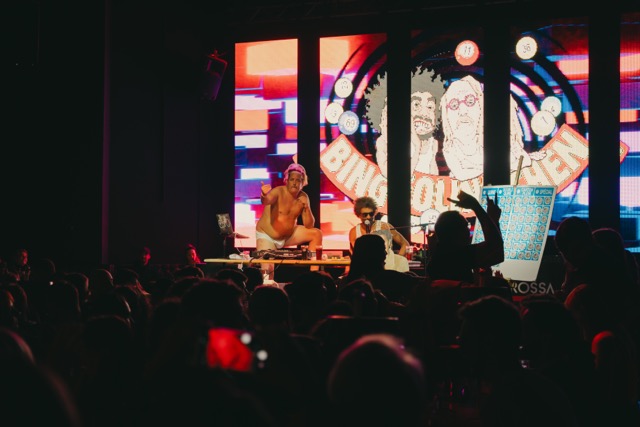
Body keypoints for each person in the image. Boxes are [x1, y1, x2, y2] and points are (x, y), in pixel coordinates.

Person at [440, 75, 545, 181]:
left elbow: (523, 161)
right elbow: (462, 175)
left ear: (481, 106)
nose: (463, 111)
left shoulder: (496, 138)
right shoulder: (450, 149)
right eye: (454, 105)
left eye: (470, 102)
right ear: (446, 114)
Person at [364, 68, 446, 178]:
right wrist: (416, 148)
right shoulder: (384, 142)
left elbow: (434, 174)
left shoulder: (432, 143)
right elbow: (392, 175)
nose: (424, 113)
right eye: (416, 105)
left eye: (430, 107)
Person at [426, 190, 503, 283]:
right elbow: (496, 250)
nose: (468, 231)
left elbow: (496, 253)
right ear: (456, 232)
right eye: (466, 226)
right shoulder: (457, 255)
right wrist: (476, 207)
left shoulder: (439, 256)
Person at [256, 163, 322, 252]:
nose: (294, 183)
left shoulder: (303, 197)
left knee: (316, 234)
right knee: (268, 261)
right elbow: (266, 201)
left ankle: (312, 260)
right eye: (292, 180)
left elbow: (309, 226)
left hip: (287, 237)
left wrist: (307, 207)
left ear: (302, 183)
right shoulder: (278, 192)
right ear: (287, 181)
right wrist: (264, 195)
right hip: (267, 236)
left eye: (298, 180)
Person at [348, 196, 409, 272]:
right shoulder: (354, 232)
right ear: (358, 214)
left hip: (389, 268)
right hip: (365, 271)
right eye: (365, 215)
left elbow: (405, 244)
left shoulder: (385, 226)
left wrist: (398, 260)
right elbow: (355, 255)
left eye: (371, 214)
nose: (368, 217)